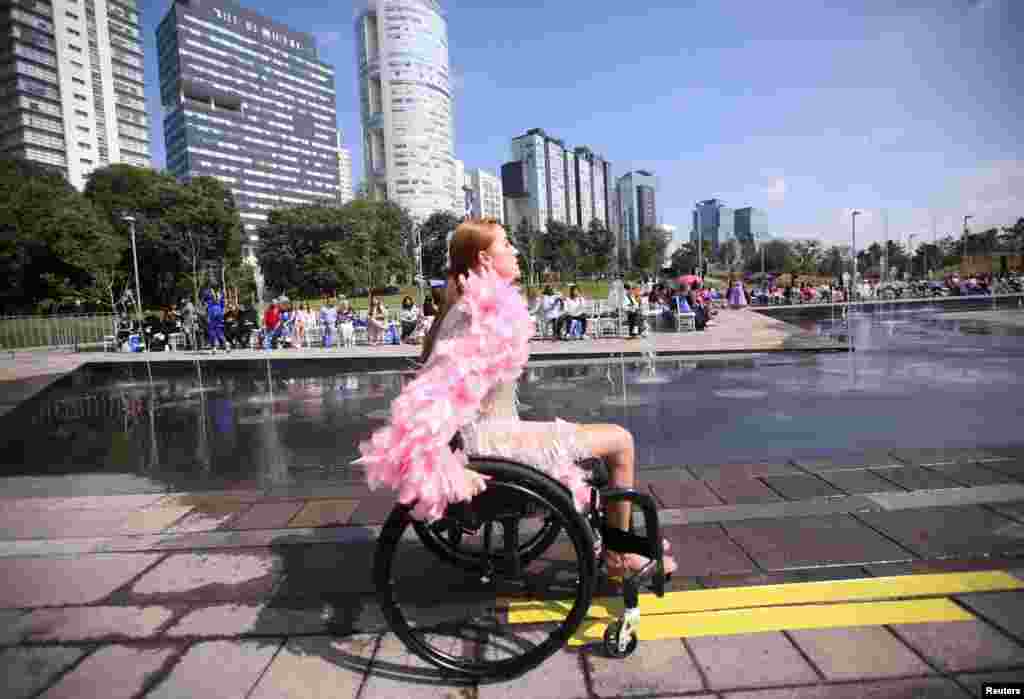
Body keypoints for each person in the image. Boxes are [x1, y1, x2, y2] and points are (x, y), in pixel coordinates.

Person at [357, 218, 676, 576]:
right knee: (621, 441)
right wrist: (440, 464)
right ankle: (618, 556)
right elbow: (433, 398)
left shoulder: (470, 308)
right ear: (485, 258)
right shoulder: (477, 314)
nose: (515, 251)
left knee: (600, 443)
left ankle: (613, 539)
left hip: (494, 436)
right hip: (495, 446)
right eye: (506, 244)